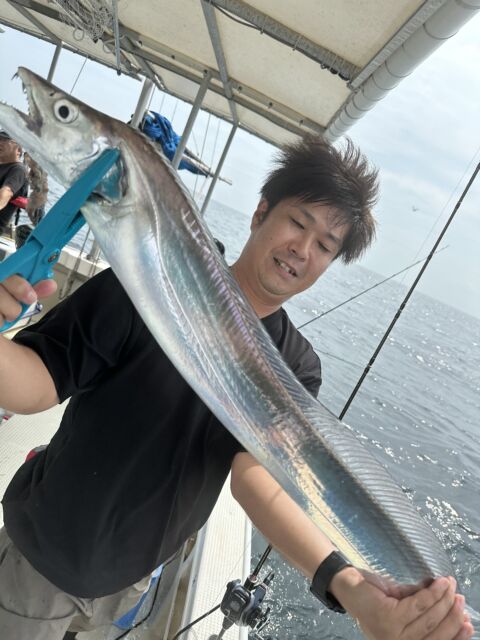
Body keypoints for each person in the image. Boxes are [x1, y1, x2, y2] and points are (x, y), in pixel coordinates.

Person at [0, 136, 473, 640]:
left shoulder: (297, 366)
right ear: (260, 212)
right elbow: (36, 382)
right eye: (298, 223)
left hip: (130, 580)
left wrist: (350, 586)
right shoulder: (151, 277)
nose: (302, 250)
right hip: (43, 559)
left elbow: (256, 478)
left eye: (325, 246)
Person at [0, 131, 28, 237]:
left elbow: (6, 193)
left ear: (18, 150)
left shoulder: (18, 170)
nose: (0, 143)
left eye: (5, 140)